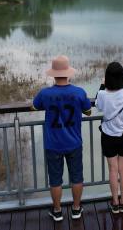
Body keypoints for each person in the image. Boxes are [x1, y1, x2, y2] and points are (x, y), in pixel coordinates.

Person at [31, 55, 92, 222]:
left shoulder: (45, 93)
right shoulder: (79, 92)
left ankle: (57, 211)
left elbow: (34, 105)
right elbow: (88, 111)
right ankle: (76, 209)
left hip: (53, 144)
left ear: (53, 74)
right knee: (77, 177)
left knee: (56, 180)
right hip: (74, 142)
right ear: (68, 73)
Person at [95, 62, 123, 214]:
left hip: (108, 136)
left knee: (113, 170)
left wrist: (102, 86)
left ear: (107, 78)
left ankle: (114, 202)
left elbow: (98, 106)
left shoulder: (102, 94)